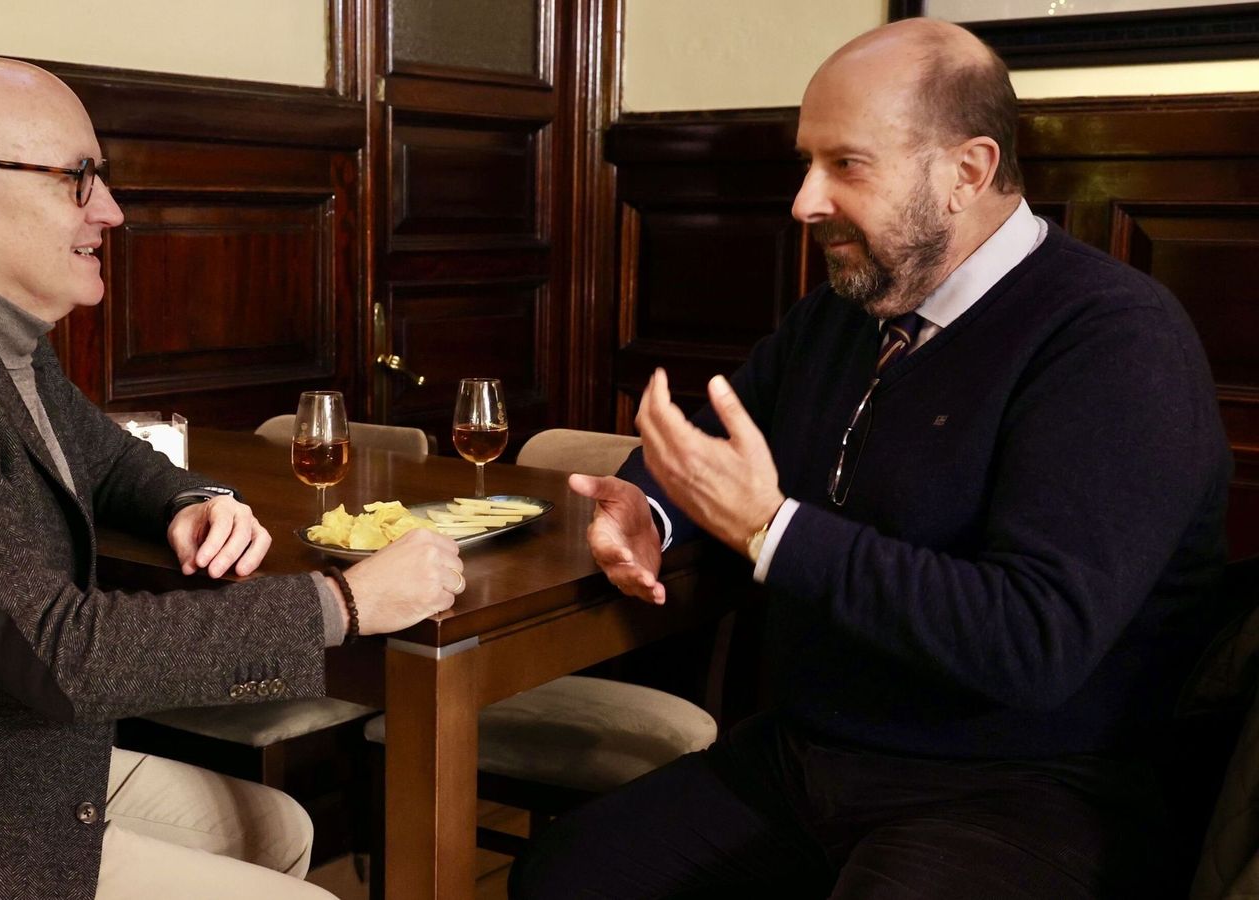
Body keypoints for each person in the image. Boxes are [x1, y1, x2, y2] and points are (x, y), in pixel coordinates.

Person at [0, 53, 465, 900]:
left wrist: (192, 500)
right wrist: (348, 603)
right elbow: (60, 655)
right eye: (77, 178)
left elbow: (108, 458)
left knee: (279, 825)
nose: (108, 210)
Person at [512, 18, 1230, 900]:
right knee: (564, 878)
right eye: (807, 163)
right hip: (807, 757)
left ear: (968, 171)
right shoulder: (844, 313)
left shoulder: (1115, 338)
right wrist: (648, 511)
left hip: (1033, 786)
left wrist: (772, 531)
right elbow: (706, 444)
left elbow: (1032, 644)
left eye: (846, 165)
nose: (804, 202)